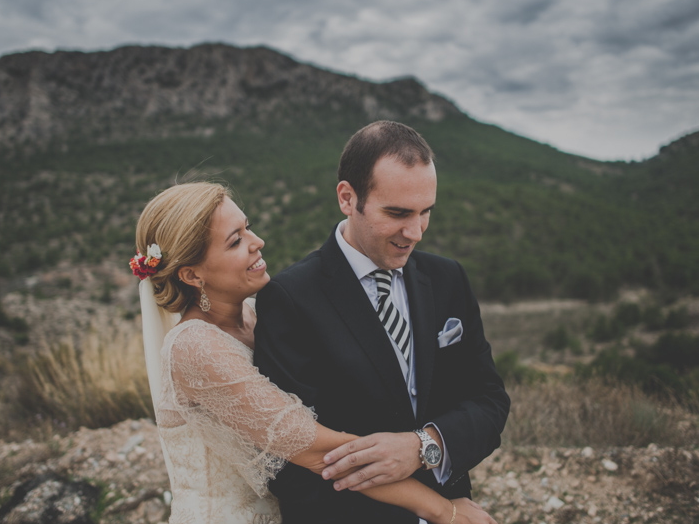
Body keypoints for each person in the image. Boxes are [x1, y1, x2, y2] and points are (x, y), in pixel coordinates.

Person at [134, 182, 498, 524]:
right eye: (235, 242)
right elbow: (316, 450)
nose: (257, 242)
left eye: (248, 228)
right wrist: (443, 510)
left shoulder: (259, 314)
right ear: (193, 275)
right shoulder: (195, 347)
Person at [253, 121, 510, 523]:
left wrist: (427, 446)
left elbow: (489, 400)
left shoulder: (448, 278)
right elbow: (290, 462)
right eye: (398, 213)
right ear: (347, 197)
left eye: (426, 212)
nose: (416, 232)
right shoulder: (289, 299)